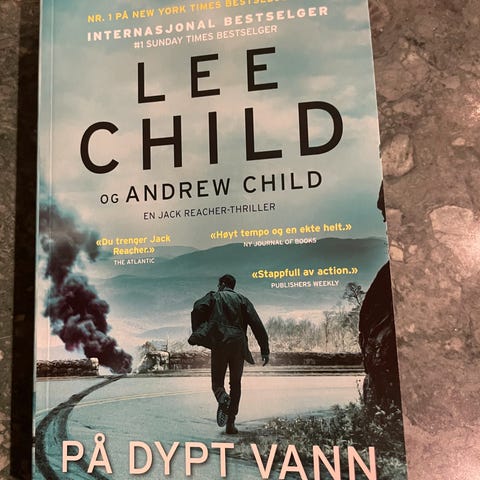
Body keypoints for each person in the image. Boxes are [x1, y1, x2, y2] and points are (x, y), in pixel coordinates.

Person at [189, 274, 270, 434]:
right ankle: (230, 423)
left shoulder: (214, 297)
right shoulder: (243, 300)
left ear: (222, 284)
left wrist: (202, 329)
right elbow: (257, 324)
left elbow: (198, 307)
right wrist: (264, 349)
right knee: (236, 384)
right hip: (238, 345)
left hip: (220, 342)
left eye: (218, 284)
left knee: (217, 383)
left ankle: (222, 397)